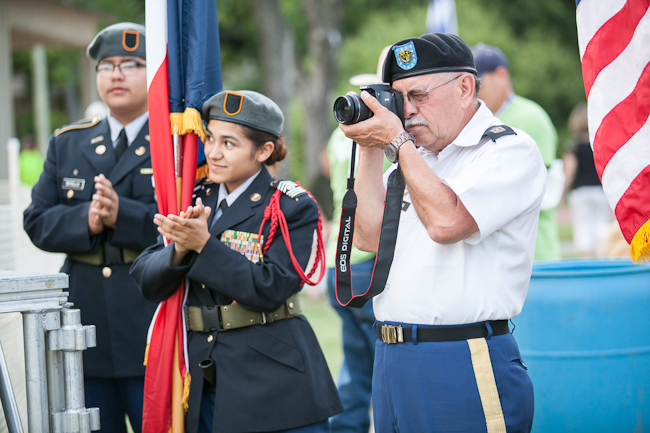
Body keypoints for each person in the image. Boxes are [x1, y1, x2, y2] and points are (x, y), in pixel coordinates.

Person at [339, 33, 543, 432]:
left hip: (463, 357)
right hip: (392, 357)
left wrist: (397, 142)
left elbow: (447, 223)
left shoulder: (507, 150)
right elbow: (366, 238)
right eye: (397, 100)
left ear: (465, 87)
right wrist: (369, 146)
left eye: (418, 95)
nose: (406, 112)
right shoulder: (411, 158)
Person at [130, 90, 343, 433]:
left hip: (273, 379)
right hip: (205, 376)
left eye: (229, 143)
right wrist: (181, 249)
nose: (213, 152)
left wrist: (202, 244)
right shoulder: (194, 197)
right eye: (210, 138)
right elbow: (146, 279)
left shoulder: (290, 206)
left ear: (263, 151)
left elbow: (270, 288)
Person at [23, 23, 158, 433]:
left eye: (131, 65)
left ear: (153, 73)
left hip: (149, 313)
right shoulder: (68, 142)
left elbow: (196, 222)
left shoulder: (177, 141)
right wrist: (87, 219)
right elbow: (37, 221)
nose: (116, 75)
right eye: (106, 66)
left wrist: (125, 215)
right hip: (86, 320)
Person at [325, 45, 392, 433]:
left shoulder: (343, 135)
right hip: (367, 261)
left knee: (356, 363)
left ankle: (346, 427)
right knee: (383, 362)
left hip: (342, 256)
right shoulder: (377, 140)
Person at [471, 43, 562, 261]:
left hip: (534, 252)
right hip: (504, 254)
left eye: (477, 83)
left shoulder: (530, 118)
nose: (471, 92)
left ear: (501, 75)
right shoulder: (483, 120)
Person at [562, 102, 613, 257]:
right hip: (600, 190)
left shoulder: (574, 145)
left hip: (581, 191)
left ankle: (587, 259)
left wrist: (562, 193)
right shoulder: (599, 143)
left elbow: (569, 171)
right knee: (601, 225)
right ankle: (603, 257)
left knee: (583, 226)